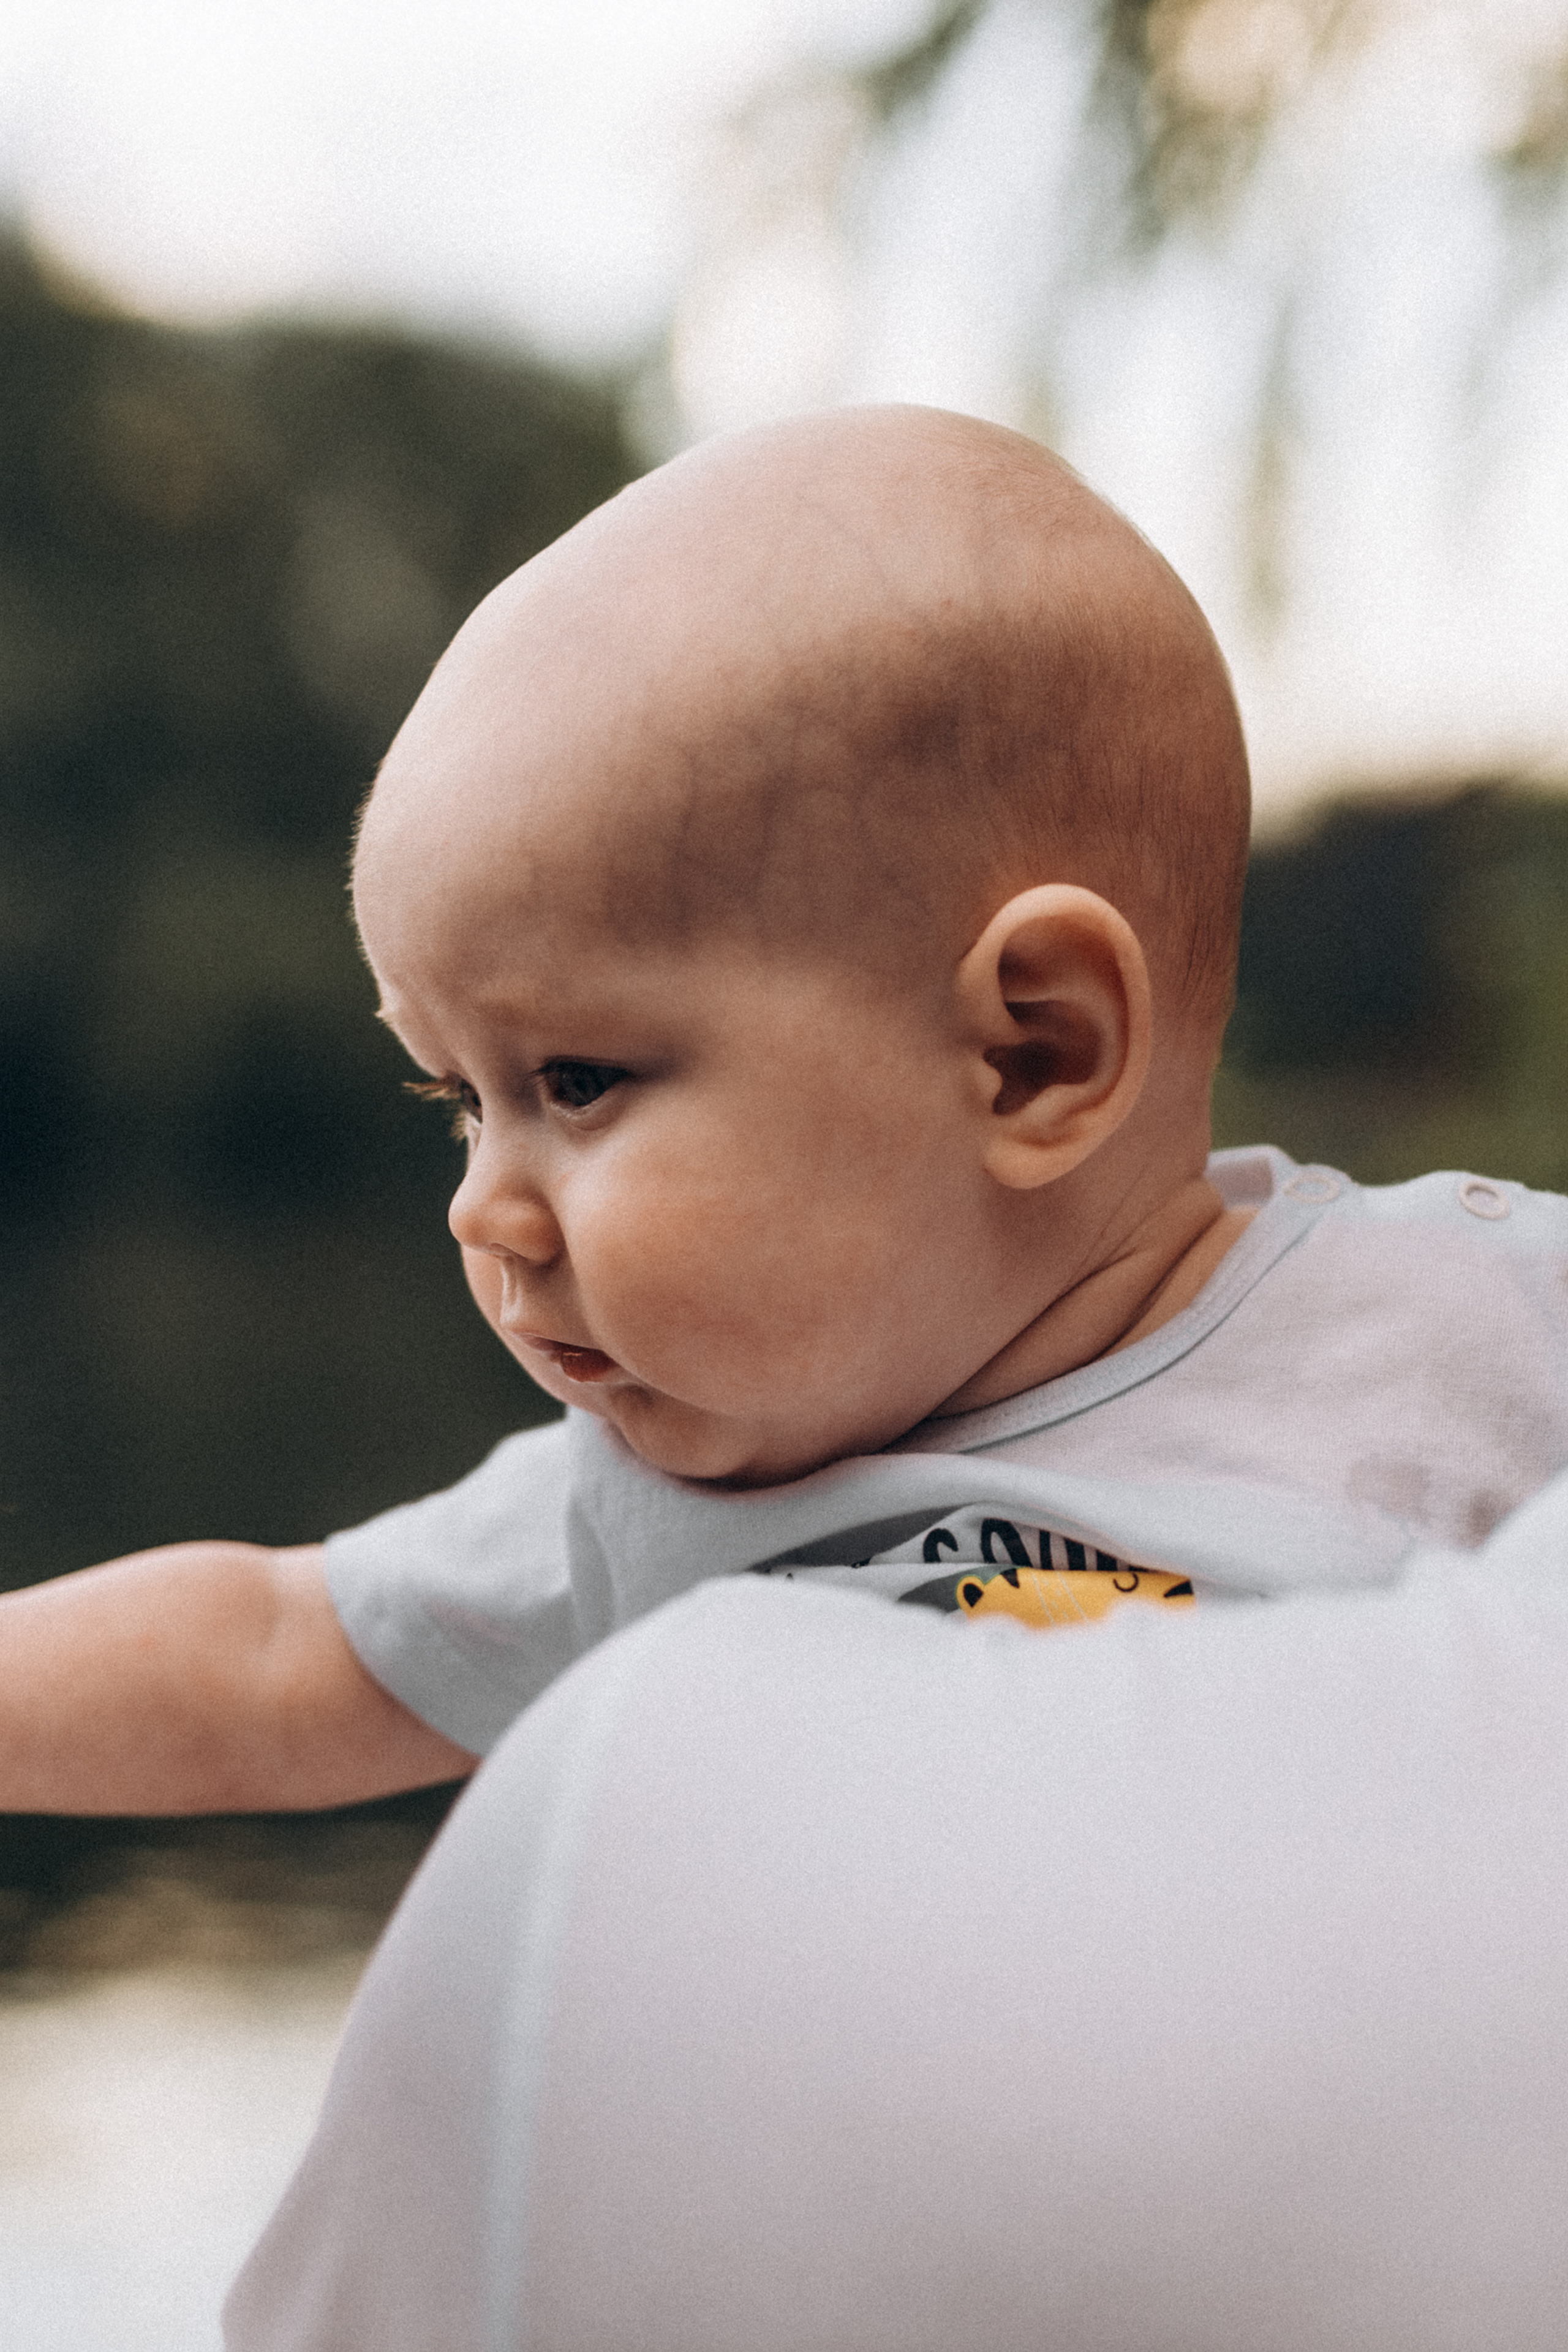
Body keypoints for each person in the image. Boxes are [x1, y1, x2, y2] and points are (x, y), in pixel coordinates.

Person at [2, 402, 1566, 1803]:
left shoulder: (1480, 1334)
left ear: (1031, 1055)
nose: (481, 1202)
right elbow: (278, 1656)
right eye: (460, 1100)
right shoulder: (639, 1517)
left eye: (577, 1082)